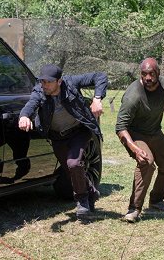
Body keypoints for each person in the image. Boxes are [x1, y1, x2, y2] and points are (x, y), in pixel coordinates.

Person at [18, 64, 108, 219]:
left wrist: (97, 98)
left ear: (59, 82)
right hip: (57, 136)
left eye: (48, 82)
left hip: (79, 131)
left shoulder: (71, 83)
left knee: (73, 163)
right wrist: (24, 116)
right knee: (70, 169)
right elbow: (31, 104)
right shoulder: (39, 91)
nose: (44, 85)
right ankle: (91, 192)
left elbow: (100, 76)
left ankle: (82, 202)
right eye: (42, 81)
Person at [116, 58, 164, 223]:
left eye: (151, 74)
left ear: (158, 73)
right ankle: (133, 209)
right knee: (146, 162)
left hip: (155, 132)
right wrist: (134, 148)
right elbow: (121, 127)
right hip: (134, 135)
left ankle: (156, 201)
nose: (148, 78)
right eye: (144, 74)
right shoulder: (133, 95)